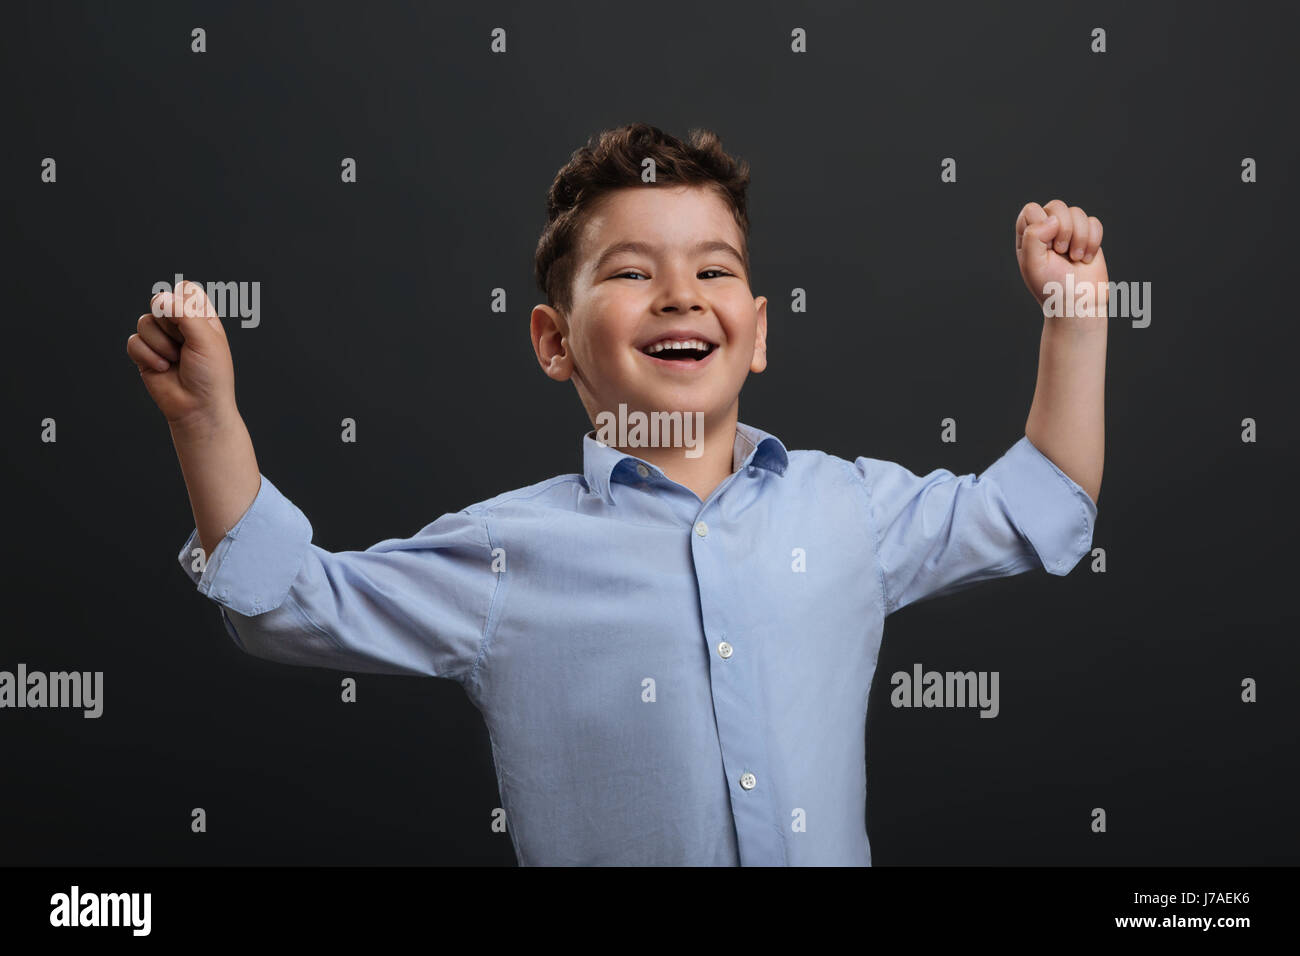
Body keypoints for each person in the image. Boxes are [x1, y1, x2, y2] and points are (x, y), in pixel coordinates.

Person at [126, 122, 1107, 865]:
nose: (680, 292)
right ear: (554, 341)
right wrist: (205, 420)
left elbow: (1040, 506)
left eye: (712, 268)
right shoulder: (507, 548)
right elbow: (288, 604)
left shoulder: (846, 508)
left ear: (758, 331)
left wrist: (1075, 318)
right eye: (633, 271)